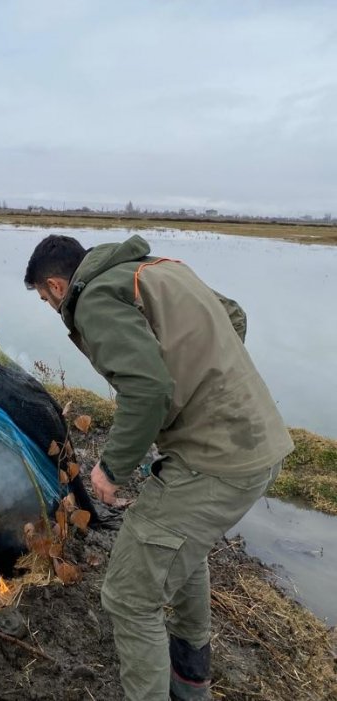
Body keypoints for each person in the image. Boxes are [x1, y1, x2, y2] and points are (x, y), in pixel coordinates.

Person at [24, 234, 293, 701]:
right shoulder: (157, 269)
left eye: (45, 298)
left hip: (215, 462)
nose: (51, 305)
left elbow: (148, 390)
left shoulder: (92, 301)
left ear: (55, 284)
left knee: (128, 596)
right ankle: (190, 683)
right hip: (258, 444)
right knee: (181, 552)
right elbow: (233, 316)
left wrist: (110, 469)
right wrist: (212, 390)